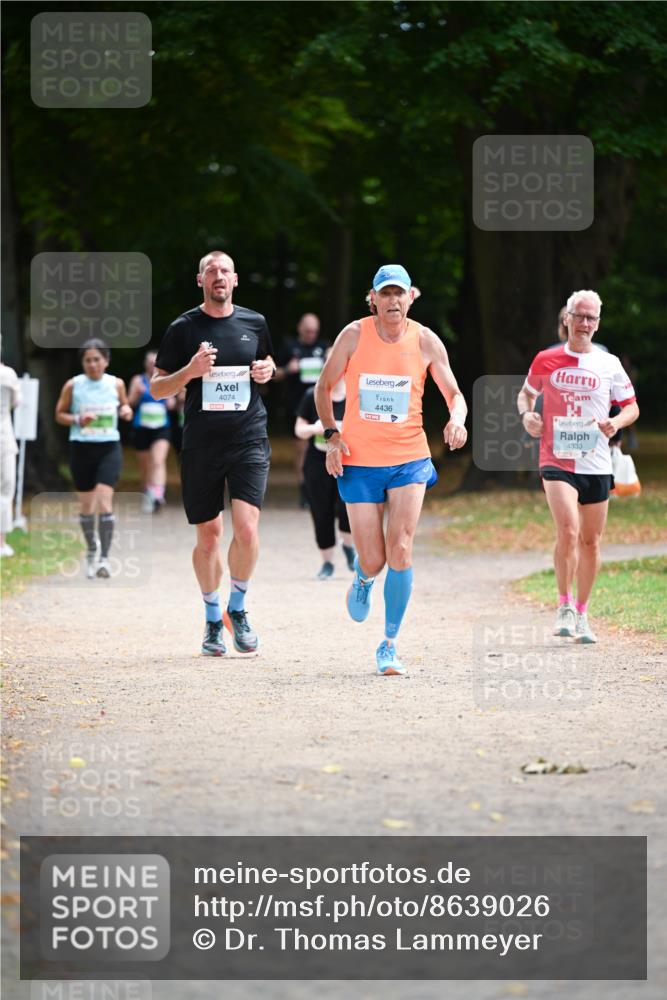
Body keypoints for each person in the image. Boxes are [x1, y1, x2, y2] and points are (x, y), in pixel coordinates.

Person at [315, 264, 468, 676]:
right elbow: (323, 387)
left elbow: (455, 394)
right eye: (386, 294)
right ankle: (364, 578)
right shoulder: (353, 335)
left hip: (409, 458)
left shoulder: (426, 341)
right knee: (374, 558)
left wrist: (457, 419)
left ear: (411, 297)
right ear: (374, 299)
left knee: (400, 547)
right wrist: (332, 435)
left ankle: (389, 643)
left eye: (400, 293)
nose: (393, 301)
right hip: (360, 461)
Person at [151, 251, 275, 657]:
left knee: (247, 529)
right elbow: (156, 388)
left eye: (224, 271)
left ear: (235, 279)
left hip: (248, 438)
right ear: (200, 280)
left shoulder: (254, 322)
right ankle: (210, 617)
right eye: (211, 272)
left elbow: (267, 361)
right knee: (209, 537)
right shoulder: (183, 328)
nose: (218, 277)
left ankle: (236, 609)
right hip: (202, 443)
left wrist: (267, 371)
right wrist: (189, 371)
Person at [517, 289, 639, 644]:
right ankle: (564, 605)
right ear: (566, 319)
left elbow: (631, 407)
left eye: (591, 318)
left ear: (597, 324)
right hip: (556, 458)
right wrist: (527, 415)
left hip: (597, 463)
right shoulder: (546, 360)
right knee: (568, 531)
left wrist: (616, 423)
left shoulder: (609, 364)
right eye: (579, 316)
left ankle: (584, 613)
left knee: (591, 541)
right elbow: (526, 393)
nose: (584, 323)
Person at [55, 339, 133, 578]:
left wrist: (126, 411)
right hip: (81, 448)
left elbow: (125, 406)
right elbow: (59, 414)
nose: (92, 364)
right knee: (87, 506)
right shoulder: (73, 385)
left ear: (106, 361)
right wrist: (78, 419)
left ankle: (104, 560)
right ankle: (92, 550)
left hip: (108, 447)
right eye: (88, 360)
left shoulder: (116, 383)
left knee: (104, 501)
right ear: (83, 363)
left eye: (97, 359)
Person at [295, 353, 356, 580]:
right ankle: (327, 563)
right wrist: (316, 429)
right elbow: (298, 430)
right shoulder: (313, 395)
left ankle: (349, 547)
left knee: (346, 508)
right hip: (317, 461)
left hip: (347, 462)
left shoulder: (355, 397)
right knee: (321, 512)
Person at [274, 313, 328, 508]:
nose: (311, 335)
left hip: (322, 405)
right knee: (302, 451)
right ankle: (305, 492)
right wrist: (289, 369)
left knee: (325, 448)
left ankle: (324, 489)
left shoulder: (323, 348)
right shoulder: (289, 347)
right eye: (307, 331)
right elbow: (274, 374)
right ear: (300, 329)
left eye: (314, 331)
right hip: (297, 406)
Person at [128, 350, 175, 513]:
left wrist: (171, 402)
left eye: (154, 362)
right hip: (141, 427)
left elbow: (172, 403)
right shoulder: (137, 380)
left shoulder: (165, 379)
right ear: (145, 364)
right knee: (145, 465)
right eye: (149, 362)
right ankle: (147, 493)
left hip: (161, 427)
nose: (151, 365)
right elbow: (128, 403)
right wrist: (136, 394)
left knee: (158, 461)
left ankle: (158, 495)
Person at [0, 350, 21, 558]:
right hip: (4, 437)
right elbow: (16, 402)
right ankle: (1, 542)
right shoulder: (8, 374)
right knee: (5, 490)